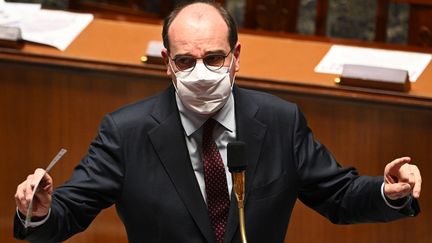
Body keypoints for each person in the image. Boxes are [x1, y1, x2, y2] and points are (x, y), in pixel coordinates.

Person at [14, 1, 421, 243]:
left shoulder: (280, 122)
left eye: (214, 59)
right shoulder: (126, 133)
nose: (201, 71)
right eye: (186, 61)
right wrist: (40, 210)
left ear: (236, 56)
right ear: (167, 64)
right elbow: (67, 213)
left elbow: (339, 196)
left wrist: (390, 191)